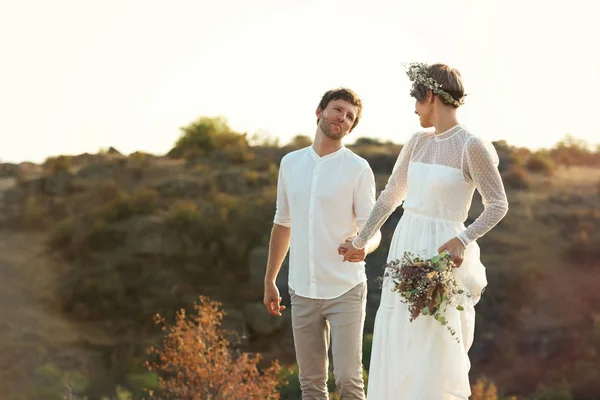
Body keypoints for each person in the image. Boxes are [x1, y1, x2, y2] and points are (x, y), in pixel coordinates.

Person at [338, 63, 509, 399]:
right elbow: (390, 197)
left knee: (435, 340)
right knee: (401, 335)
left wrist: (462, 239)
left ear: (430, 95)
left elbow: (498, 204)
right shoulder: (416, 142)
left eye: (417, 99)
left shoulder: (471, 146)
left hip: (441, 255)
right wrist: (359, 241)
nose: (414, 108)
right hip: (405, 245)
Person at [263, 87, 381, 399]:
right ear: (320, 111)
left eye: (349, 116)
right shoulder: (290, 163)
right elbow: (282, 223)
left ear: (351, 127)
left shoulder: (358, 169)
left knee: (348, 380)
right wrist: (270, 280)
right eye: (337, 109)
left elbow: (374, 229)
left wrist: (363, 247)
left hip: (346, 289)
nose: (342, 117)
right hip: (301, 290)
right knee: (311, 385)